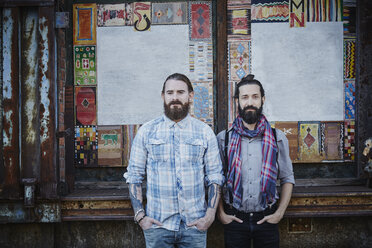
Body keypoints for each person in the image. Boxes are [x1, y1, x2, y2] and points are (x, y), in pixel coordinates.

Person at [124, 73, 224, 248]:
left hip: (195, 226)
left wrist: (209, 216)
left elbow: (215, 176)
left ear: (190, 96)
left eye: (180, 92)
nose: (175, 97)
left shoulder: (204, 132)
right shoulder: (147, 131)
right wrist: (140, 217)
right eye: (170, 93)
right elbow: (134, 176)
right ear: (163, 96)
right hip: (158, 225)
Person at [217, 74, 295, 248]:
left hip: (267, 219)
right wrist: (221, 213)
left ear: (263, 99)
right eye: (244, 97)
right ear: (237, 101)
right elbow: (216, 180)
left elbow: (287, 178)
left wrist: (279, 213)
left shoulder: (277, 138)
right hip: (234, 219)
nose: (250, 102)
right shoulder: (224, 139)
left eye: (255, 96)